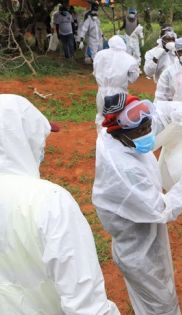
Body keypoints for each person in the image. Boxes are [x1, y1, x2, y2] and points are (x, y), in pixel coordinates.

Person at [92, 93, 182, 315]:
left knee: (146, 302)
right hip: (140, 250)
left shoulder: (114, 134)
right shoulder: (125, 169)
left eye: (149, 125)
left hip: (142, 233)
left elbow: (166, 109)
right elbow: (162, 209)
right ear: (120, 132)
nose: (148, 132)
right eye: (141, 130)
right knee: (161, 304)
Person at [0, 94, 120, 315]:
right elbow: (87, 306)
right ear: (22, 138)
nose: (44, 145)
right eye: (40, 137)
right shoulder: (49, 201)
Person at [93, 35, 140, 127]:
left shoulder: (100, 55)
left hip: (102, 91)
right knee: (118, 118)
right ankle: (114, 139)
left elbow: (95, 71)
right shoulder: (129, 59)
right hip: (119, 93)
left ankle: (102, 139)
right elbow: (133, 78)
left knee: (101, 117)